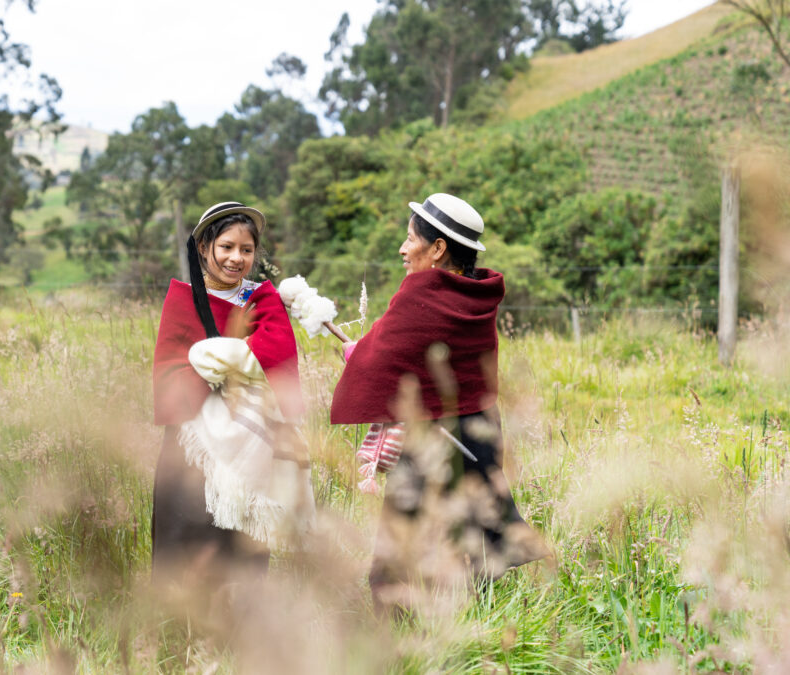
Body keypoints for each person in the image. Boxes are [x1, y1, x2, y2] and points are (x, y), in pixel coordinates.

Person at [330, 193, 548, 606]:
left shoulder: (421, 292)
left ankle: (403, 652)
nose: (402, 248)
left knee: (402, 555)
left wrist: (356, 354)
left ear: (437, 248)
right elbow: (415, 357)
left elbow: (381, 360)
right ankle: (466, 638)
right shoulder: (477, 295)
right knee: (467, 543)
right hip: (477, 439)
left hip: (430, 445)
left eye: (410, 238)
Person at [151, 201, 313, 593]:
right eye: (226, 247)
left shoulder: (262, 299)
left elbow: (277, 357)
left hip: (251, 442)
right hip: (193, 446)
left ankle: (242, 636)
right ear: (205, 246)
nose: (236, 258)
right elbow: (170, 372)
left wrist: (223, 360)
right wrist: (223, 363)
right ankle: (180, 636)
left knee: (243, 544)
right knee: (184, 536)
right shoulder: (184, 300)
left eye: (246, 249)